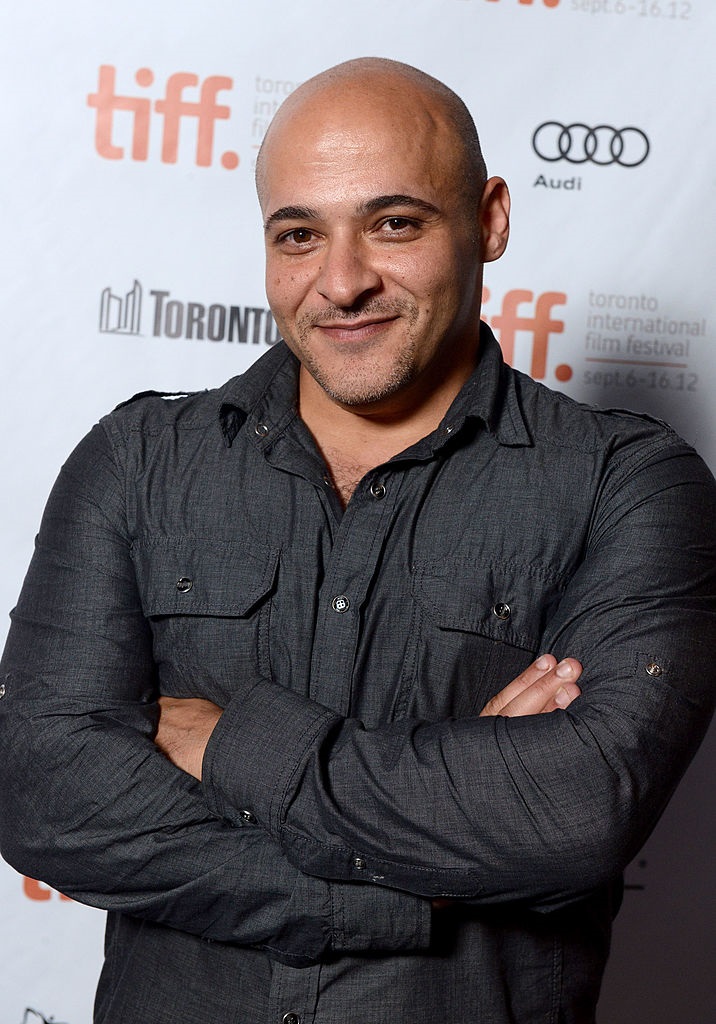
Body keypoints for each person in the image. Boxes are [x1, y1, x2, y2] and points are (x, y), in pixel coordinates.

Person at [1, 57, 715, 1024]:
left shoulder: (626, 484)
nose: (341, 283)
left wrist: (228, 743)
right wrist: (422, 879)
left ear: (491, 220)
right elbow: (44, 794)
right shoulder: (137, 461)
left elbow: (578, 811)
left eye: (395, 223)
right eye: (299, 234)